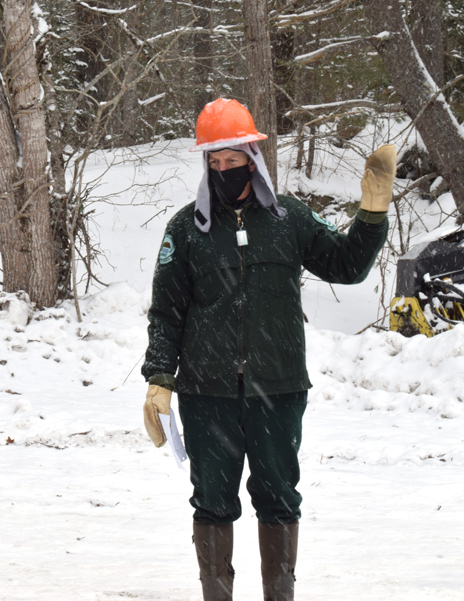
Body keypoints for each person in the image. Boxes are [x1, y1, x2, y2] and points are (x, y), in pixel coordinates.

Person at [141, 98, 395, 601]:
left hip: (277, 387)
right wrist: (159, 378)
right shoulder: (186, 230)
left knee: (278, 498)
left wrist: (371, 214)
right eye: (213, 162)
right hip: (206, 391)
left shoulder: (287, 219)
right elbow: (167, 312)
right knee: (212, 501)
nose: (222, 170)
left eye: (231, 160)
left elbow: (346, 266)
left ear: (252, 158)